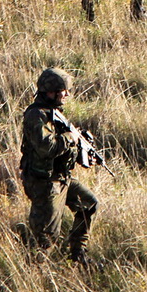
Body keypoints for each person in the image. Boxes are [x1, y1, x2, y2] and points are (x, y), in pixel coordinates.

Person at [19, 67, 98, 266]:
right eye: (64, 90)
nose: (67, 94)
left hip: (61, 178)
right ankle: (35, 274)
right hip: (45, 183)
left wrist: (83, 152)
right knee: (46, 237)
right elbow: (47, 147)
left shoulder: (54, 114)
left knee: (88, 203)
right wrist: (71, 137)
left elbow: (63, 150)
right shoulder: (36, 115)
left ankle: (78, 255)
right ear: (51, 91)